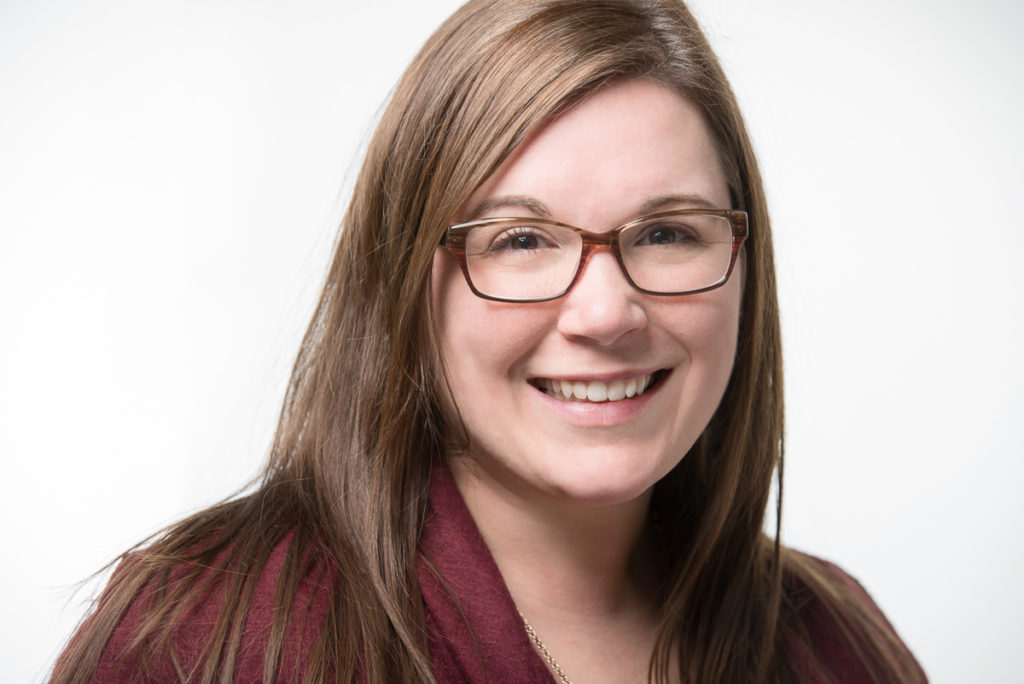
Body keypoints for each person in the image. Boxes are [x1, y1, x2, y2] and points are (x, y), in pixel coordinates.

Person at [51, 0, 926, 682]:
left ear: (743, 263)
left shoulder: (838, 642)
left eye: (666, 233)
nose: (606, 313)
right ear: (404, 284)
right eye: (520, 241)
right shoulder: (197, 643)